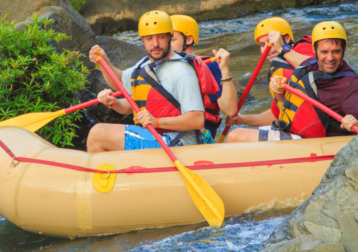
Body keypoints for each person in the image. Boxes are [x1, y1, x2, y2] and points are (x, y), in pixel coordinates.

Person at [87, 10, 205, 152]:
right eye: (149, 38)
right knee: (100, 133)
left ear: (170, 36)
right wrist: (104, 62)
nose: (155, 44)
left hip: (178, 142)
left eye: (160, 37)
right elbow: (121, 83)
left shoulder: (182, 72)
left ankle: (99, 173)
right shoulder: (144, 65)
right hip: (154, 136)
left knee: (99, 133)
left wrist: (157, 121)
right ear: (142, 40)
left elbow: (197, 119)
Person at [226, 16, 315, 142]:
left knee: (235, 136)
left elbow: (317, 68)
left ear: (287, 39)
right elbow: (276, 114)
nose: (268, 49)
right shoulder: (279, 68)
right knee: (237, 133)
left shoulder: (302, 49)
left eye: (271, 41)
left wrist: (282, 50)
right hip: (297, 131)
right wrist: (242, 119)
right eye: (263, 45)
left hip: (312, 136)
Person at [271, 21, 358, 138]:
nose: (330, 58)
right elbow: (284, 107)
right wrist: (279, 90)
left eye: (336, 51)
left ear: (344, 48)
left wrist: (355, 122)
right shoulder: (310, 64)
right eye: (324, 52)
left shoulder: (350, 85)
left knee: (238, 135)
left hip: (317, 144)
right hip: (289, 130)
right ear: (314, 49)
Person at [169, 14, 238, 140]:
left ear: (188, 40)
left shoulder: (209, 66)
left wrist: (224, 69)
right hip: (170, 127)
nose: (167, 44)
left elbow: (230, 110)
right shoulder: (160, 68)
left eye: (172, 40)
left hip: (199, 132)